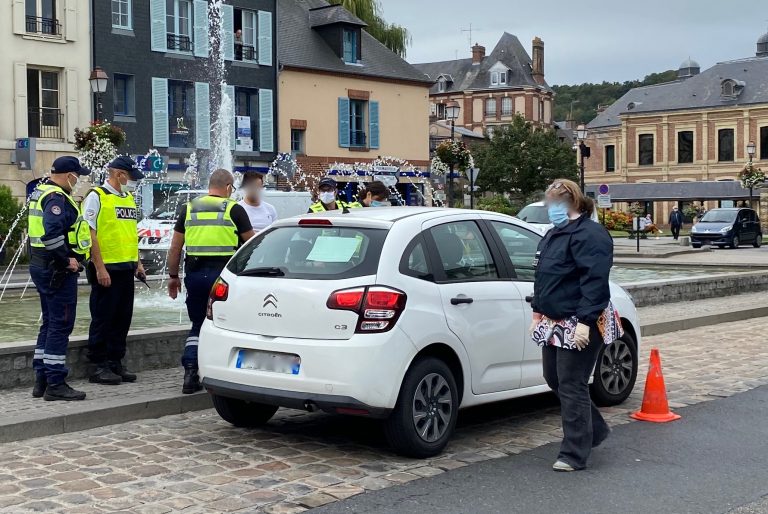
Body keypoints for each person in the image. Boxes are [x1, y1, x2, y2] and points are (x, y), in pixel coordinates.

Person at [530, 178, 619, 472]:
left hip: (580, 318)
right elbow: (544, 276)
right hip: (556, 318)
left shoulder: (590, 234)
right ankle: (593, 430)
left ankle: (574, 453)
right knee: (554, 378)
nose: (550, 207)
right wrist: (537, 312)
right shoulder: (555, 233)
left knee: (571, 383)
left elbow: (594, 280)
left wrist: (585, 321)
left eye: (554, 202)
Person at [167, 169, 255, 394]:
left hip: (195, 276)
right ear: (227, 187)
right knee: (227, 326)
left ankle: (190, 371)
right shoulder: (234, 209)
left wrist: (173, 277)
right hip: (224, 279)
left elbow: (175, 247)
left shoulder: (188, 208)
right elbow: (252, 245)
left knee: (197, 325)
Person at [28, 156, 92, 401]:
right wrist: (67, 260)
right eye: (77, 176)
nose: (78, 181)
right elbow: (51, 233)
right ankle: (55, 382)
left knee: (49, 323)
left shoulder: (40, 192)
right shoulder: (56, 198)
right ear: (69, 175)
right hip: (57, 270)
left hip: (41, 266)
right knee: (61, 324)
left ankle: (41, 379)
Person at [82, 156, 146, 385]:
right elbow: (90, 234)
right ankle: (98, 366)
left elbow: (130, 233)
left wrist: (137, 263)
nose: (132, 182)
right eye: (129, 176)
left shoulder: (127, 198)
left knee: (122, 318)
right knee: (103, 317)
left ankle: (115, 361)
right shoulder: (96, 196)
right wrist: (99, 267)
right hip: (106, 268)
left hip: (126, 267)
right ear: (119, 174)